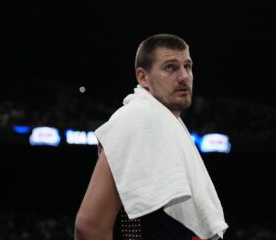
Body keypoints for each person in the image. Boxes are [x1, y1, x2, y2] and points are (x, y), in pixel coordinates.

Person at [74, 33, 228, 240]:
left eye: (188, 66)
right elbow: (90, 226)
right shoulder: (138, 118)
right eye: (170, 67)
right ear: (143, 77)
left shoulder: (163, 123)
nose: (184, 76)